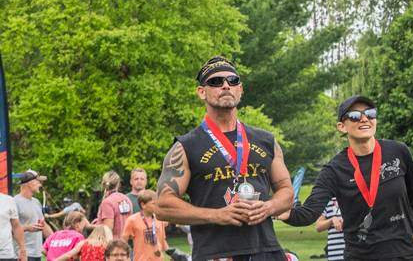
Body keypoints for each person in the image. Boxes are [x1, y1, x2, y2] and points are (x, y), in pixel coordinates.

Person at [153, 56, 295, 261]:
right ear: (202, 92)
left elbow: (287, 191)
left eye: (233, 81)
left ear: (241, 89)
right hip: (215, 254)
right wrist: (217, 215)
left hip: (267, 250)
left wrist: (268, 207)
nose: (226, 86)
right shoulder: (185, 146)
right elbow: (162, 205)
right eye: (216, 82)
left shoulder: (266, 140)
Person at [283, 95, 413, 261]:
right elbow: (310, 212)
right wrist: (282, 211)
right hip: (360, 256)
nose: (364, 119)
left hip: (404, 254)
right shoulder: (335, 169)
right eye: (355, 116)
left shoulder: (398, 151)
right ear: (341, 126)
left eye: (370, 114)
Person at [120, 192, 166, 261]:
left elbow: (162, 241)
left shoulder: (160, 219)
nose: (157, 206)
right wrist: (126, 258)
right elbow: (123, 242)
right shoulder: (132, 220)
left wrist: (173, 253)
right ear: (143, 205)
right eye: (153, 204)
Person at [15, 171, 48, 261]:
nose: (40, 185)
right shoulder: (14, 202)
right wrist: (27, 227)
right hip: (21, 255)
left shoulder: (37, 202)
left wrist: (57, 238)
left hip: (37, 254)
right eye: (38, 182)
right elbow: (9, 228)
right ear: (30, 183)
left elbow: (43, 226)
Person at [94, 174, 132, 242]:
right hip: (124, 243)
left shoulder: (107, 202)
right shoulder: (126, 199)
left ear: (103, 184)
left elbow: (108, 229)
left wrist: (89, 226)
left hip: (111, 245)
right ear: (118, 184)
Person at [3, 188, 22, 261]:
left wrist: (22, 249)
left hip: (6, 254)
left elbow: (16, 227)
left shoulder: (9, 200)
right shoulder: (16, 199)